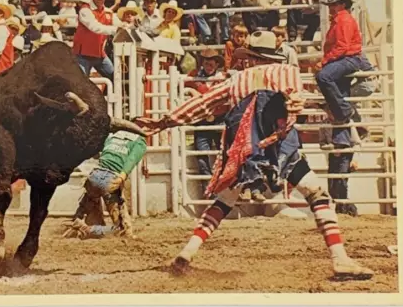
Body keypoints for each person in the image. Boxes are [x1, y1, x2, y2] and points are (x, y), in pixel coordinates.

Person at [133, 30, 372, 277]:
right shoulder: (288, 72)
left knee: (225, 200)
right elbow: (299, 99)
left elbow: (202, 104)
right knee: (317, 194)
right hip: (280, 149)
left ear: (252, 57)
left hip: (245, 151)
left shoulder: (236, 80)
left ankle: (187, 252)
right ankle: (339, 258)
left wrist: (164, 122)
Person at [61, 130, 147, 239]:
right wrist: (122, 176)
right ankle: (89, 230)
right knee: (122, 231)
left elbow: (95, 151)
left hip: (94, 175)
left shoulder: (113, 136)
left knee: (91, 202)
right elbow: (132, 159)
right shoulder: (140, 141)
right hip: (111, 178)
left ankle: (78, 221)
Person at [314, 0, 374, 134]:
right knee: (341, 92)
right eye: (330, 5)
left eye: (334, 4)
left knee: (323, 76)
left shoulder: (342, 20)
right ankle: (344, 136)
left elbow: (342, 46)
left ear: (342, 5)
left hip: (348, 58)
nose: (331, 7)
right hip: (345, 59)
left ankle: (345, 111)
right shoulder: (340, 20)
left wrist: (324, 61)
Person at [72, 0, 130, 81]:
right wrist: (117, 29)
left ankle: (110, 96)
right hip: (83, 55)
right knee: (81, 83)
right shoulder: (85, 10)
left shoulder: (108, 12)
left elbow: (120, 25)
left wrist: (128, 26)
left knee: (116, 78)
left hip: (99, 55)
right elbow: (95, 27)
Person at [184, 48, 225, 181]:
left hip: (218, 119)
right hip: (202, 120)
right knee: (201, 154)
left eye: (212, 64)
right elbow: (181, 86)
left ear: (217, 65)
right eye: (206, 64)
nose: (209, 67)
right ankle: (208, 186)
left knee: (224, 152)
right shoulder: (194, 76)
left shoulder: (221, 78)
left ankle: (223, 184)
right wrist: (191, 90)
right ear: (202, 63)